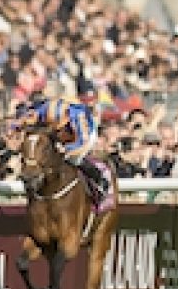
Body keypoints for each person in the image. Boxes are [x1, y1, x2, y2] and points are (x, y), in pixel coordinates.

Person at [14, 82, 114, 210]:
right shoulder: (43, 109)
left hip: (83, 136)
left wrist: (67, 151)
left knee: (76, 160)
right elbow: (24, 122)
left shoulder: (77, 115)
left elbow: (82, 143)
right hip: (58, 137)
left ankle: (100, 184)